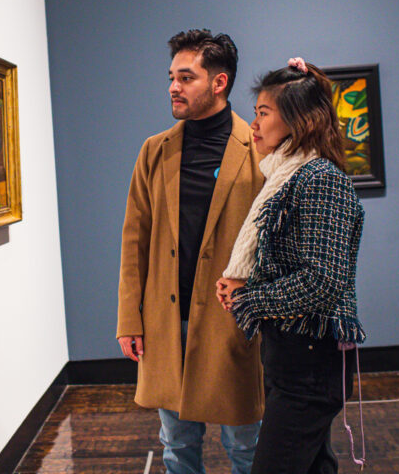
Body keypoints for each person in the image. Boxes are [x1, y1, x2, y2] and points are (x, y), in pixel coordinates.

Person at [117, 29, 265, 474]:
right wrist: (130, 319)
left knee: (245, 446)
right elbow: (133, 240)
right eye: (171, 77)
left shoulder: (258, 148)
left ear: (218, 83)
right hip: (167, 320)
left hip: (233, 319)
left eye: (185, 77)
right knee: (177, 447)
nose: (173, 88)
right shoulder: (154, 151)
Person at [216, 58, 366, 474]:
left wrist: (250, 296)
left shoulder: (318, 178)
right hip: (292, 355)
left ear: (297, 119)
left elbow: (324, 281)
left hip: (310, 363)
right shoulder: (287, 175)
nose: (254, 124)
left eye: (263, 113)